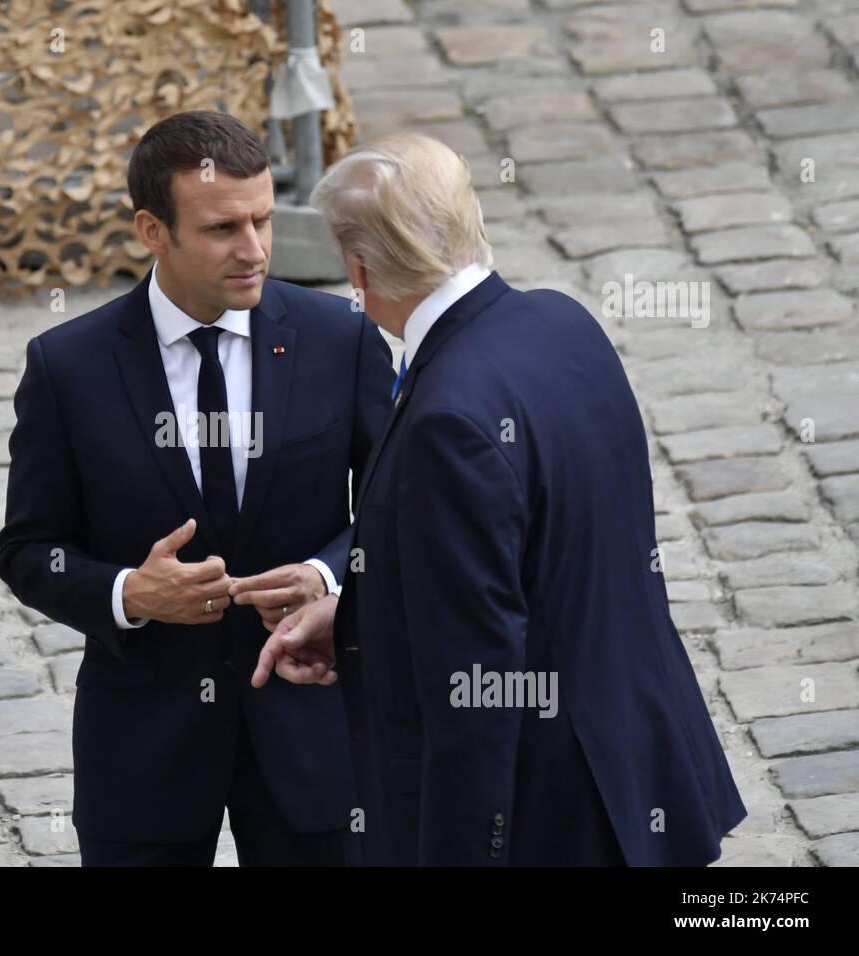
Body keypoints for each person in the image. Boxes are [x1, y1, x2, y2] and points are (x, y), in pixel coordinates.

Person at [252, 133, 747, 866]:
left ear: (357, 268)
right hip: (636, 758)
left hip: (552, 815)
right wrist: (360, 612)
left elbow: (478, 686)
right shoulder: (561, 321)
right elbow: (542, 562)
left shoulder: (447, 418)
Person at [0, 110, 394, 865]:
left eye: (263, 221)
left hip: (314, 732)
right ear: (154, 230)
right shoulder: (68, 368)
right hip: (144, 748)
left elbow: (395, 504)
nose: (254, 251)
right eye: (222, 230)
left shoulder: (338, 339)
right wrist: (128, 596)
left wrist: (324, 574)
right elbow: (28, 550)